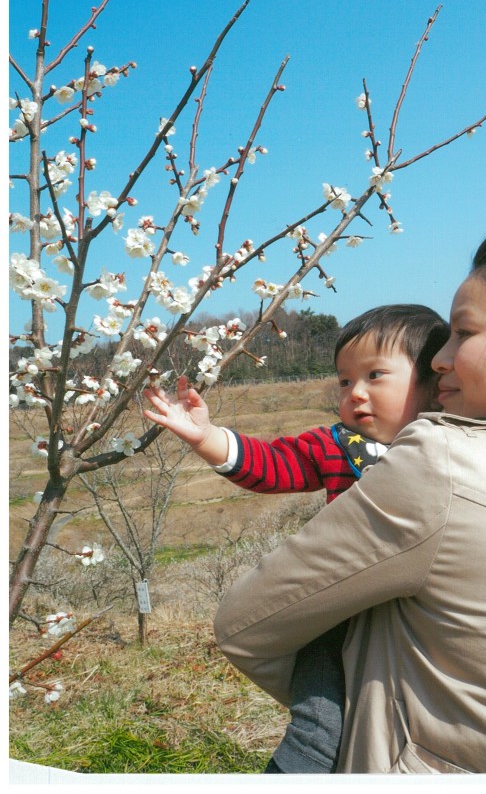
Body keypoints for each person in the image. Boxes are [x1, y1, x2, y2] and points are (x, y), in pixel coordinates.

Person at [213, 225, 486, 774]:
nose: (439, 360)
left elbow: (245, 623)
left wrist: (347, 705)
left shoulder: (439, 459)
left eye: (464, 334)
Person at [144, 303, 449, 773]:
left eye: (375, 376)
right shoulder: (336, 445)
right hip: (334, 616)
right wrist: (205, 437)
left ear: (433, 381)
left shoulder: (452, 447)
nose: (355, 394)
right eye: (345, 381)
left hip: (414, 626)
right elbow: (270, 465)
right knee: (318, 727)